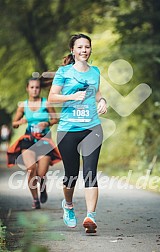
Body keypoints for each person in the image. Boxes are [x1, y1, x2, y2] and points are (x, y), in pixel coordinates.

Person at [48, 34, 107, 233]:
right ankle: (69, 205)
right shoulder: (63, 72)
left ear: (91, 49)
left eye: (87, 47)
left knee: (90, 172)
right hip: (68, 129)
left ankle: (90, 217)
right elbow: (52, 97)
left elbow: (97, 93)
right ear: (72, 50)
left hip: (92, 128)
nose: (84, 50)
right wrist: (72, 96)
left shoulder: (95, 71)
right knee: (71, 175)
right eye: (80, 47)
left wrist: (102, 101)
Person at [7, 77, 61, 209]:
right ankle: (35, 199)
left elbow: (56, 119)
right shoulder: (23, 105)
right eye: (32, 87)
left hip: (44, 142)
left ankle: (42, 189)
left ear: (40, 89)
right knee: (31, 170)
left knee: (41, 174)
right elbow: (14, 123)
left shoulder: (46, 103)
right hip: (29, 141)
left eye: (37, 87)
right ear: (27, 88)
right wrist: (20, 122)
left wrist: (47, 123)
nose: (34, 90)